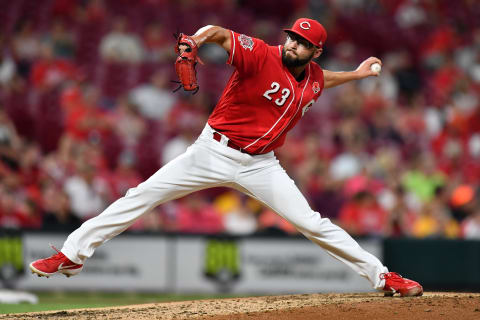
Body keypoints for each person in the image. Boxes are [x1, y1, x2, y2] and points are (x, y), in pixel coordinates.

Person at [30, 18, 423, 297]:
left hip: (261, 166)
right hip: (212, 150)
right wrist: (195, 43)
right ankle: (71, 254)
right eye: (290, 38)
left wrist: (356, 74)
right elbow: (219, 32)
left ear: (314, 50)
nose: (291, 45)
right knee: (141, 195)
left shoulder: (315, 76)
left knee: (313, 223)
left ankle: (383, 277)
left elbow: (323, 80)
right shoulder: (261, 55)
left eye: (301, 43)